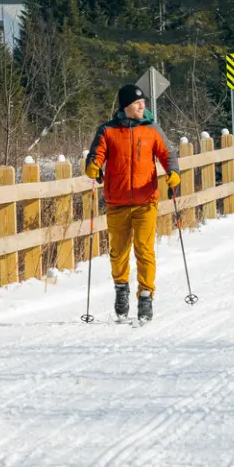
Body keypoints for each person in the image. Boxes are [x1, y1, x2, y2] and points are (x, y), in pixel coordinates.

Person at [84, 83, 180, 321]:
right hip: (117, 201)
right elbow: (95, 154)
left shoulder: (152, 129)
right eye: (137, 102)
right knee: (118, 252)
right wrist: (93, 166)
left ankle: (146, 296)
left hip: (146, 200)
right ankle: (121, 290)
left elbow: (169, 153)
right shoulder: (107, 131)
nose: (142, 105)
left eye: (143, 102)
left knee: (144, 250)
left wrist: (173, 171)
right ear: (126, 106)